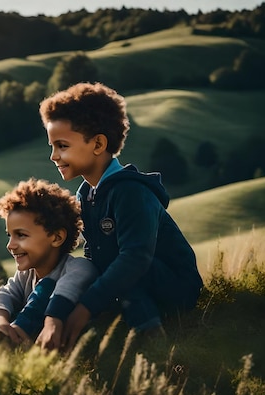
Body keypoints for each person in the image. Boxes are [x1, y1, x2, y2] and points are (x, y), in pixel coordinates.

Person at [39, 82, 204, 350]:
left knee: (121, 266)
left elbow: (136, 258)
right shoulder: (86, 195)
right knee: (75, 273)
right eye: (52, 146)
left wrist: (85, 307)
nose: (53, 156)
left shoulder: (130, 192)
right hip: (130, 279)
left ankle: (153, 341)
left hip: (174, 286)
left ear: (98, 144)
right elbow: (94, 256)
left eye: (62, 146)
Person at [0, 178, 98, 348]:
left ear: (56, 237)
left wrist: (53, 320)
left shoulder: (76, 267)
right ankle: (9, 334)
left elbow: (70, 285)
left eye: (21, 235)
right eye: (9, 235)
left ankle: (18, 334)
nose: (10, 245)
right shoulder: (25, 275)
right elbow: (4, 294)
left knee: (46, 287)